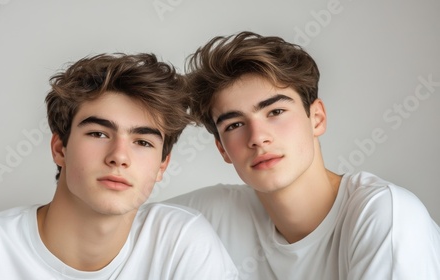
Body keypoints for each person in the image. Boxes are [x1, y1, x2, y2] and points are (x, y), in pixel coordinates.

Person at [166, 31, 440, 279]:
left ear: (317, 118)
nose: (257, 137)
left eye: (275, 112)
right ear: (222, 149)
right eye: (235, 125)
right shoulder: (209, 216)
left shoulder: (386, 214)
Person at [0, 53, 238, 279]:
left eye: (143, 142)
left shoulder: (181, 242)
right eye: (98, 134)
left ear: (162, 166)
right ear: (60, 149)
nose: (119, 156)